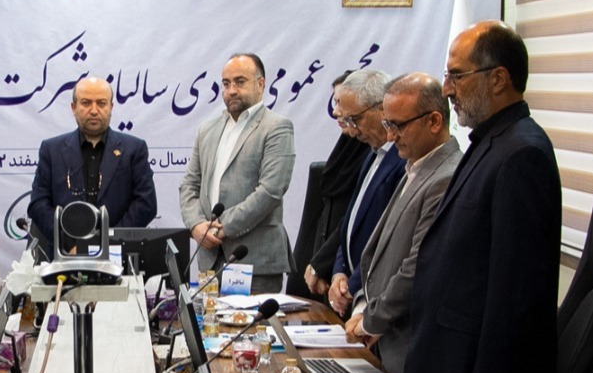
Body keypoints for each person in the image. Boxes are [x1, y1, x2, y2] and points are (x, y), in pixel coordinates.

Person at [404, 21, 560, 373]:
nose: (447, 89)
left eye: (457, 75)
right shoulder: (491, 141)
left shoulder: (523, 153)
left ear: (498, 79)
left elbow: (516, 286)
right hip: (454, 369)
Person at [342, 73, 462, 373]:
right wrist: (363, 306)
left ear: (434, 121)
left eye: (398, 126)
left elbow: (417, 266)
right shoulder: (414, 166)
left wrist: (372, 320)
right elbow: (377, 252)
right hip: (385, 340)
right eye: (387, 124)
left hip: (408, 348)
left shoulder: (446, 177)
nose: (390, 136)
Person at [178, 53, 296, 293]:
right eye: (226, 83)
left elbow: (270, 192)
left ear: (260, 84)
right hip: (210, 260)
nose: (231, 90)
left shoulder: (276, 127)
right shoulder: (207, 129)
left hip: (254, 262)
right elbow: (189, 184)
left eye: (240, 82)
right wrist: (196, 225)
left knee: (252, 320)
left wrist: (221, 227)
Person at [28, 75, 157, 256]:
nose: (94, 110)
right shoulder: (51, 150)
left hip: (118, 256)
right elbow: (38, 204)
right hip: (64, 256)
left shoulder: (134, 149)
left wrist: (110, 244)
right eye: (86, 103)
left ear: (111, 107)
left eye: (101, 103)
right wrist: (68, 243)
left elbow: (146, 204)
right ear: (73, 108)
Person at [326, 69, 403, 315]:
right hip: (354, 291)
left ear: (381, 108)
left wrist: (353, 284)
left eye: (355, 120)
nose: (352, 131)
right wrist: (339, 271)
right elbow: (350, 222)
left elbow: (388, 239)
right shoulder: (372, 154)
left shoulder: (402, 162)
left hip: (378, 299)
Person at [296, 69, 377, 301]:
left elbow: (355, 220)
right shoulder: (346, 149)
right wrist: (318, 264)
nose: (336, 111)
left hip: (352, 279)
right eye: (336, 101)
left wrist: (327, 265)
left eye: (342, 103)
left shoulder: (374, 154)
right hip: (329, 268)